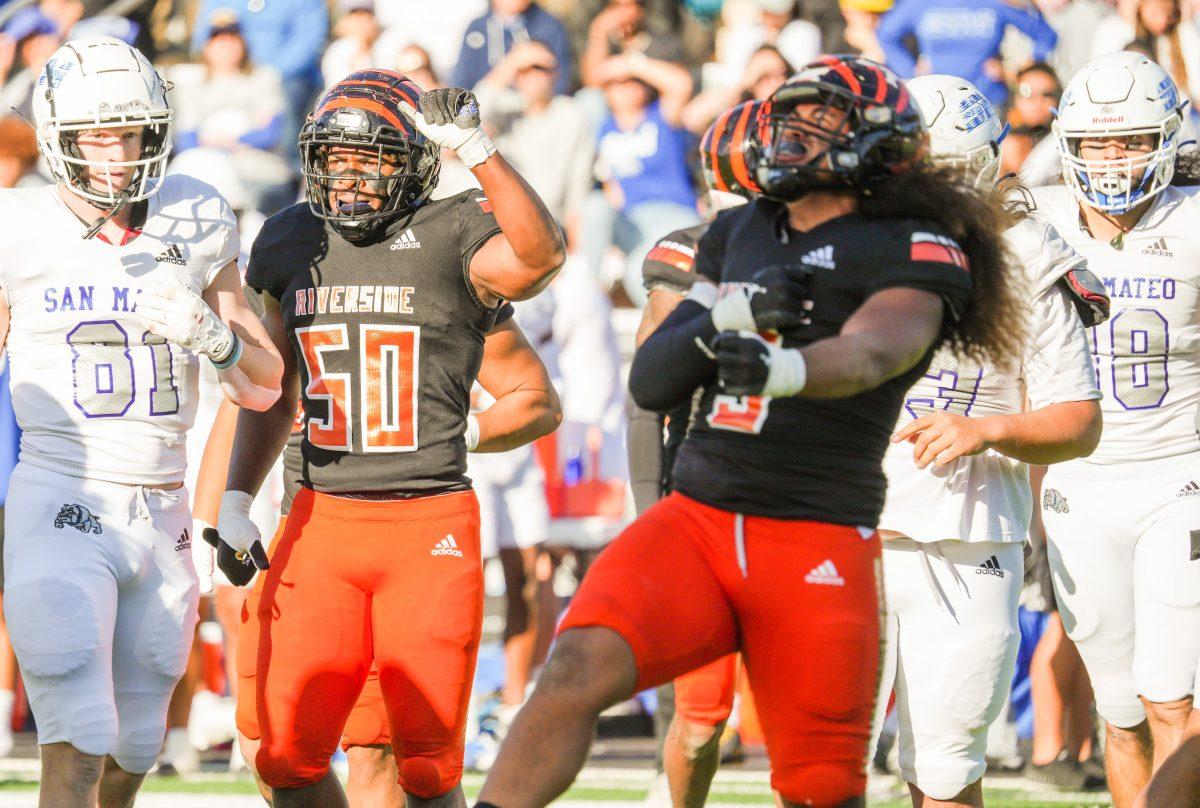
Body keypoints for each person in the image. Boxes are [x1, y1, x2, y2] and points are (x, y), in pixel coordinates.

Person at [476, 55, 1026, 808]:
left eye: (821, 116)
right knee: (573, 669)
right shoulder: (741, 229)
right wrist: (728, 320)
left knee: (822, 788)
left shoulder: (917, 243)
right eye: (791, 113)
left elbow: (876, 347)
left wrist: (783, 369)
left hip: (814, 530)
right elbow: (653, 380)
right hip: (698, 518)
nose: (794, 128)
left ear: (877, 138)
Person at [216, 69, 565, 807]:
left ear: (414, 161)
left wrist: (479, 148)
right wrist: (238, 495)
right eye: (336, 157)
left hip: (426, 523)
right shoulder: (288, 240)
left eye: (371, 158)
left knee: (427, 767)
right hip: (318, 520)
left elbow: (539, 259)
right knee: (282, 756)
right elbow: (272, 389)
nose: (350, 176)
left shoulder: (454, 231)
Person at [0, 35, 282, 807]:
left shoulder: (194, 213)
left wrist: (216, 337)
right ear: (59, 135)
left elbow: (263, 384)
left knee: (136, 746)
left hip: (162, 509)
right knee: (82, 735)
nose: (117, 153)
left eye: (129, 132)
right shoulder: (15, 227)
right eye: (97, 134)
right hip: (63, 495)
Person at [872, 74, 1106, 808]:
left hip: (965, 535)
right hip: (846, 524)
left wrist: (987, 429)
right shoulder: (846, 232)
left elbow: (1078, 418)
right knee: (818, 762)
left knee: (943, 773)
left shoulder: (1028, 253)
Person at [1033, 50, 1200, 808]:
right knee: (1121, 708)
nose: (1112, 157)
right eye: (1098, 142)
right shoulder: (1031, 221)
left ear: (1167, 138)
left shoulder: (1193, 221)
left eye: (1130, 139)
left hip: (1180, 475)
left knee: (1176, 705)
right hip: (1080, 483)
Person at [626, 101, 761, 808]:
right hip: (706, 495)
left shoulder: (831, 251)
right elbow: (648, 393)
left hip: (802, 495)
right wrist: (653, 510)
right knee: (701, 714)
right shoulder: (685, 253)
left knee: (824, 715)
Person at [876, 0, 1058, 107]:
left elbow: (1045, 35)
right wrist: (911, 72)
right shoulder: (920, 4)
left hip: (987, 101)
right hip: (936, 101)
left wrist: (1017, 70)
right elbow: (886, 34)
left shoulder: (995, 3)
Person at [453, 0, 572, 96]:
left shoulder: (549, 26)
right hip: (485, 113)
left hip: (533, 113)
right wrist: (512, 63)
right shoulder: (476, 28)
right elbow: (461, 86)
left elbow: (561, 85)